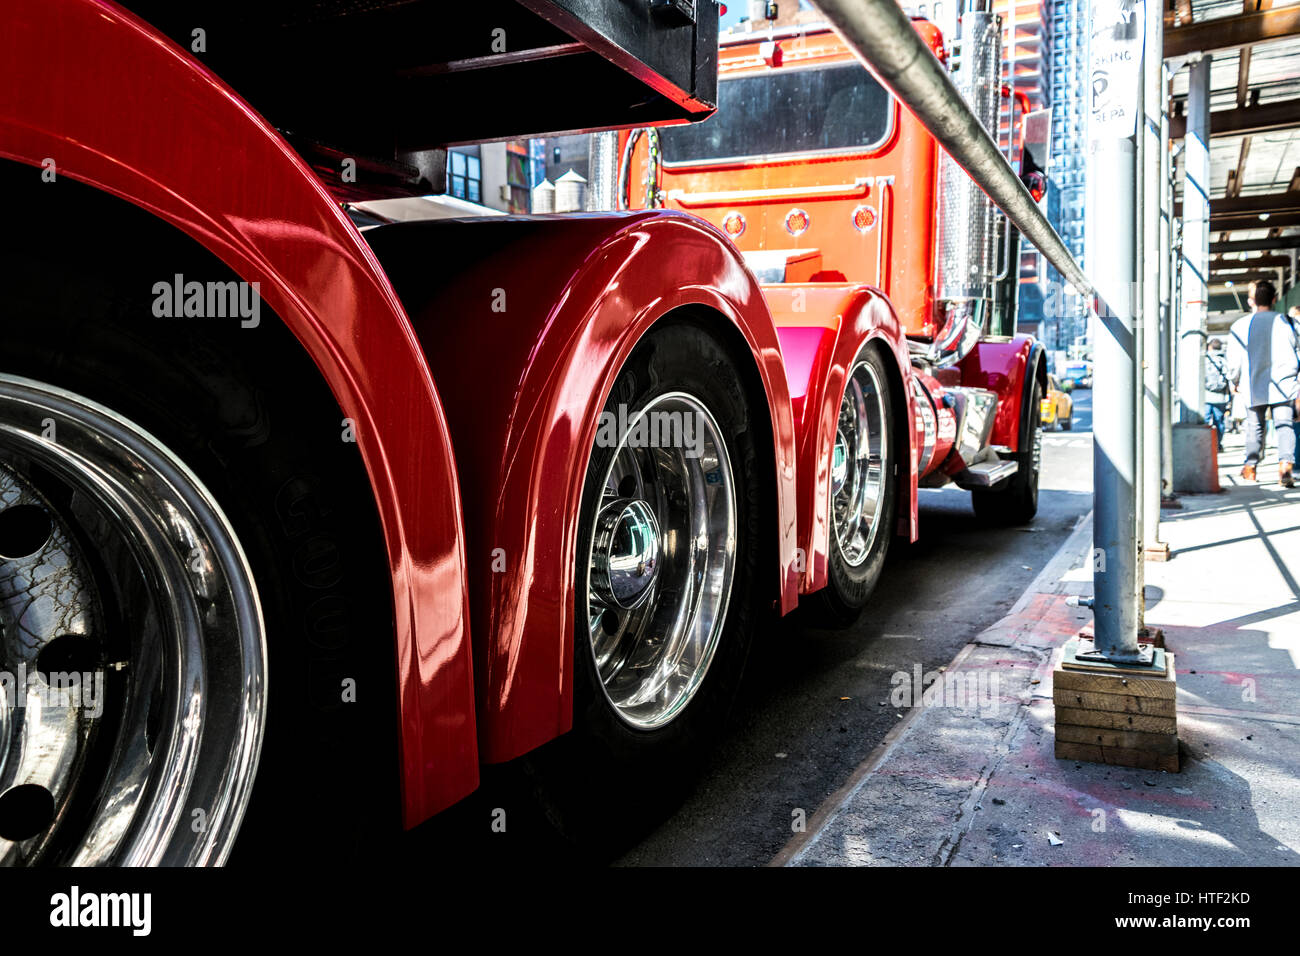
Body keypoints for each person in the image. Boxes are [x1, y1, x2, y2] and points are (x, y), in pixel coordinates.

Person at [1226, 279, 1299, 487]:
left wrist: (1235, 380)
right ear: (1275, 299)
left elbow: (1233, 361)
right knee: (1285, 426)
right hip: (1285, 383)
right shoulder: (1289, 322)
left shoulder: (1240, 326)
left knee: (1254, 427)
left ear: (1251, 301)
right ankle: (1285, 466)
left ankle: (1250, 468)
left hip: (1253, 383)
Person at [1204, 337, 1230, 451]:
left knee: (1205, 421)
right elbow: (1229, 377)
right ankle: (1217, 444)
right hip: (1220, 397)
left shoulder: (1205, 359)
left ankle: (1205, 445)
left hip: (1206, 396)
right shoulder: (1224, 360)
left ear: (1210, 346)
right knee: (1219, 421)